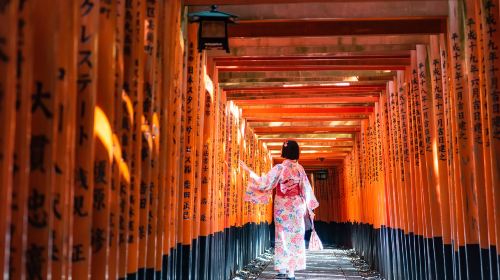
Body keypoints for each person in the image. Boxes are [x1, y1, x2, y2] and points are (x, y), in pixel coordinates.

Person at [239, 140, 319, 280]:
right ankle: (291, 273)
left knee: (281, 236)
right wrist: (309, 208)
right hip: (297, 207)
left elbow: (265, 184)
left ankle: (282, 269)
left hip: (282, 206)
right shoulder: (300, 169)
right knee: (295, 238)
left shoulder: (280, 168)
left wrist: (248, 171)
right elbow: (306, 189)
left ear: (284, 152)